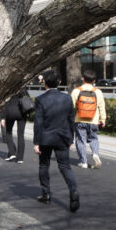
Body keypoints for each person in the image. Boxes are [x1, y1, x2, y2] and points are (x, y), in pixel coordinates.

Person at [33, 69, 80, 213]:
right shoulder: (67, 98)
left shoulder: (40, 99)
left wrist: (36, 142)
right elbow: (71, 120)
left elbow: (38, 123)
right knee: (65, 166)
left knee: (43, 165)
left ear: (44, 83)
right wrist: (70, 138)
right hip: (62, 137)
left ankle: (46, 194)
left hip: (45, 138)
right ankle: (73, 190)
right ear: (59, 82)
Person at [71, 70, 107, 169]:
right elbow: (101, 107)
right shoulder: (98, 92)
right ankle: (95, 153)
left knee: (80, 140)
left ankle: (83, 162)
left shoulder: (77, 91)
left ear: (83, 79)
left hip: (79, 120)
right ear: (94, 80)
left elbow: (71, 106)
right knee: (93, 139)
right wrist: (103, 119)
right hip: (94, 121)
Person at [0, 89, 30, 163]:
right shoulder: (24, 88)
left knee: (8, 132)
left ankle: (12, 152)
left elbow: (4, 103)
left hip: (11, 112)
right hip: (22, 113)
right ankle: (20, 158)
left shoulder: (10, 87)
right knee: (21, 135)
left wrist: (3, 117)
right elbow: (28, 100)